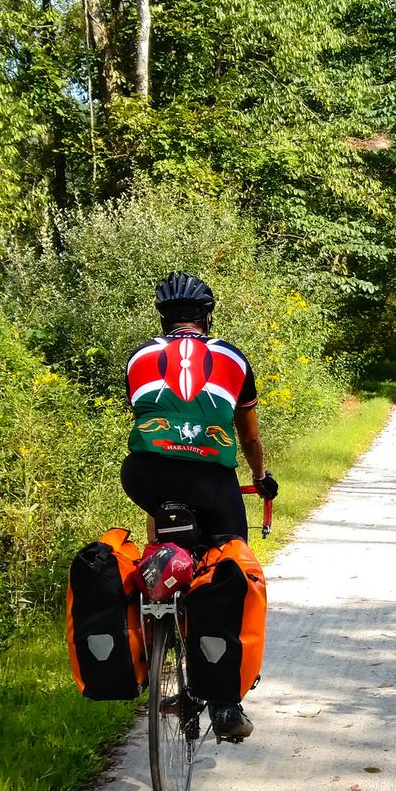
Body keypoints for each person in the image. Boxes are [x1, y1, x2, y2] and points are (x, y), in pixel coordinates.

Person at [119, 272, 277, 741]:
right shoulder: (232, 356)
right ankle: (225, 704)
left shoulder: (139, 356)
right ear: (207, 317)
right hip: (211, 479)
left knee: (166, 526)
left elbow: (155, 431)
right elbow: (248, 433)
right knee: (227, 568)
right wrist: (258, 477)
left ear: (162, 318)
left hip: (145, 475)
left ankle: (158, 613)